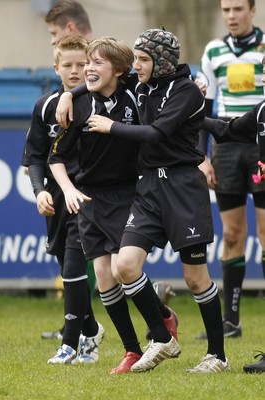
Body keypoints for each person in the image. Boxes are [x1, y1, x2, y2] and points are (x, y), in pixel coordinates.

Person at [78, 28, 228, 373]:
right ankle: (163, 337)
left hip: (182, 188)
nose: (137, 66)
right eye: (137, 59)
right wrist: (71, 94)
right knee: (124, 266)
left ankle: (217, 355)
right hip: (148, 189)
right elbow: (105, 75)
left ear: (161, 62)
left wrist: (110, 126)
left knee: (195, 278)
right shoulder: (140, 84)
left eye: (144, 59)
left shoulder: (186, 91)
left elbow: (157, 133)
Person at [49, 36, 179, 374]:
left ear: (120, 71)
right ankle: (133, 349)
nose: (88, 69)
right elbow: (56, 158)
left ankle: (163, 334)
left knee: (124, 266)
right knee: (104, 276)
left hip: (129, 194)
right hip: (89, 198)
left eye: (96, 63)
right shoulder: (78, 105)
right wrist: (68, 190)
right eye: (86, 62)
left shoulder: (136, 94)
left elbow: (163, 78)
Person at [22, 35, 104, 364]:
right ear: (56, 68)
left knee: (73, 266)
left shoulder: (100, 102)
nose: (75, 70)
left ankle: (68, 345)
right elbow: (35, 158)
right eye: (68, 65)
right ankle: (92, 329)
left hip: (88, 196)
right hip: (56, 197)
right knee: (67, 269)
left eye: (82, 64)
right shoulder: (44, 106)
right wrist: (40, 191)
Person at [195, 0, 265, 340]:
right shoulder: (213, 51)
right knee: (233, 234)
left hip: (261, 142)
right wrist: (203, 157)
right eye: (226, 10)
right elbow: (203, 108)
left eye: (238, 9)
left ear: (253, 10)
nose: (231, 16)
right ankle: (230, 321)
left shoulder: (264, 48)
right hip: (226, 145)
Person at [42, 0, 96, 341]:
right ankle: (79, 325)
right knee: (82, 258)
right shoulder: (50, 102)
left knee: (108, 261)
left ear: (71, 30)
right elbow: (41, 154)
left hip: (102, 186)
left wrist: (71, 95)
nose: (52, 40)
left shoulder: (107, 64)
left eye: (54, 33)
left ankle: (76, 328)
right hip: (68, 190)